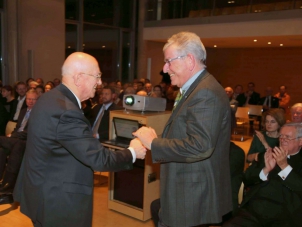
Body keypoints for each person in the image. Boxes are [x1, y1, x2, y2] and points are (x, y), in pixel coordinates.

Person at [13, 52, 146, 227]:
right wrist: (133, 152)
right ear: (79, 78)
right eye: (97, 76)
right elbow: (98, 159)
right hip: (58, 202)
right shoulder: (66, 111)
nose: (99, 83)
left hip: (40, 192)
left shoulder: (49, 98)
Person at [133, 32, 232, 227]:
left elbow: (200, 146)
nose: (164, 68)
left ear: (189, 60)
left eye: (169, 61)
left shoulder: (205, 92)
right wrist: (154, 140)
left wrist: (154, 143)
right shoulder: (196, 88)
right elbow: (186, 134)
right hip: (187, 193)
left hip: (193, 197)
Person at [224, 123, 302, 227]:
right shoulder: (268, 154)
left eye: (287, 137)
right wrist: (265, 170)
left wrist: (284, 166)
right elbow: (246, 178)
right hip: (254, 210)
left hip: (284, 216)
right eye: (281, 136)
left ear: (300, 141)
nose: (283, 139)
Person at [0, 89, 38, 205]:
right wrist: (13, 135)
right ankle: (4, 185)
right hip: (16, 140)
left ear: (37, 100)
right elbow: (18, 128)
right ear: (25, 100)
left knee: (15, 144)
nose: (30, 101)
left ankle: (7, 186)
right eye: (28, 99)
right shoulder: (22, 111)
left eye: (33, 99)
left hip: (27, 141)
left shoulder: (38, 113)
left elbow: (29, 132)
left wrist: (12, 135)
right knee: (1, 151)